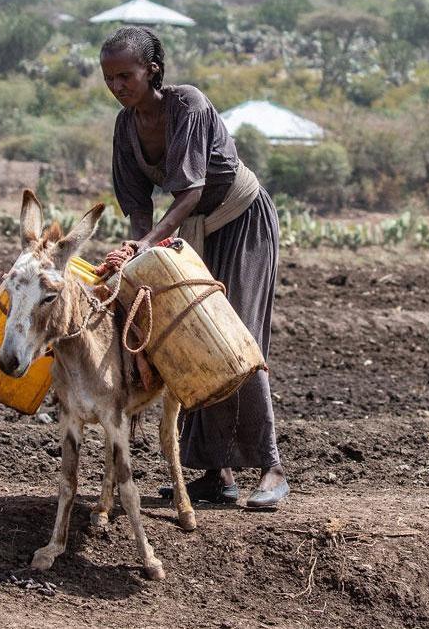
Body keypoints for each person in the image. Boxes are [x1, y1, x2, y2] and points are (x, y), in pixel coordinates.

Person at [94, 25, 288, 508]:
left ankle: (271, 468)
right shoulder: (126, 127)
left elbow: (191, 192)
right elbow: (137, 202)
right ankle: (215, 472)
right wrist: (140, 243)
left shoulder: (188, 106)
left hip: (240, 220)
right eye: (109, 78)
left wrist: (148, 243)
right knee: (184, 334)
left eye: (127, 76)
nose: (117, 86)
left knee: (233, 336)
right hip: (189, 230)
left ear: (152, 71)